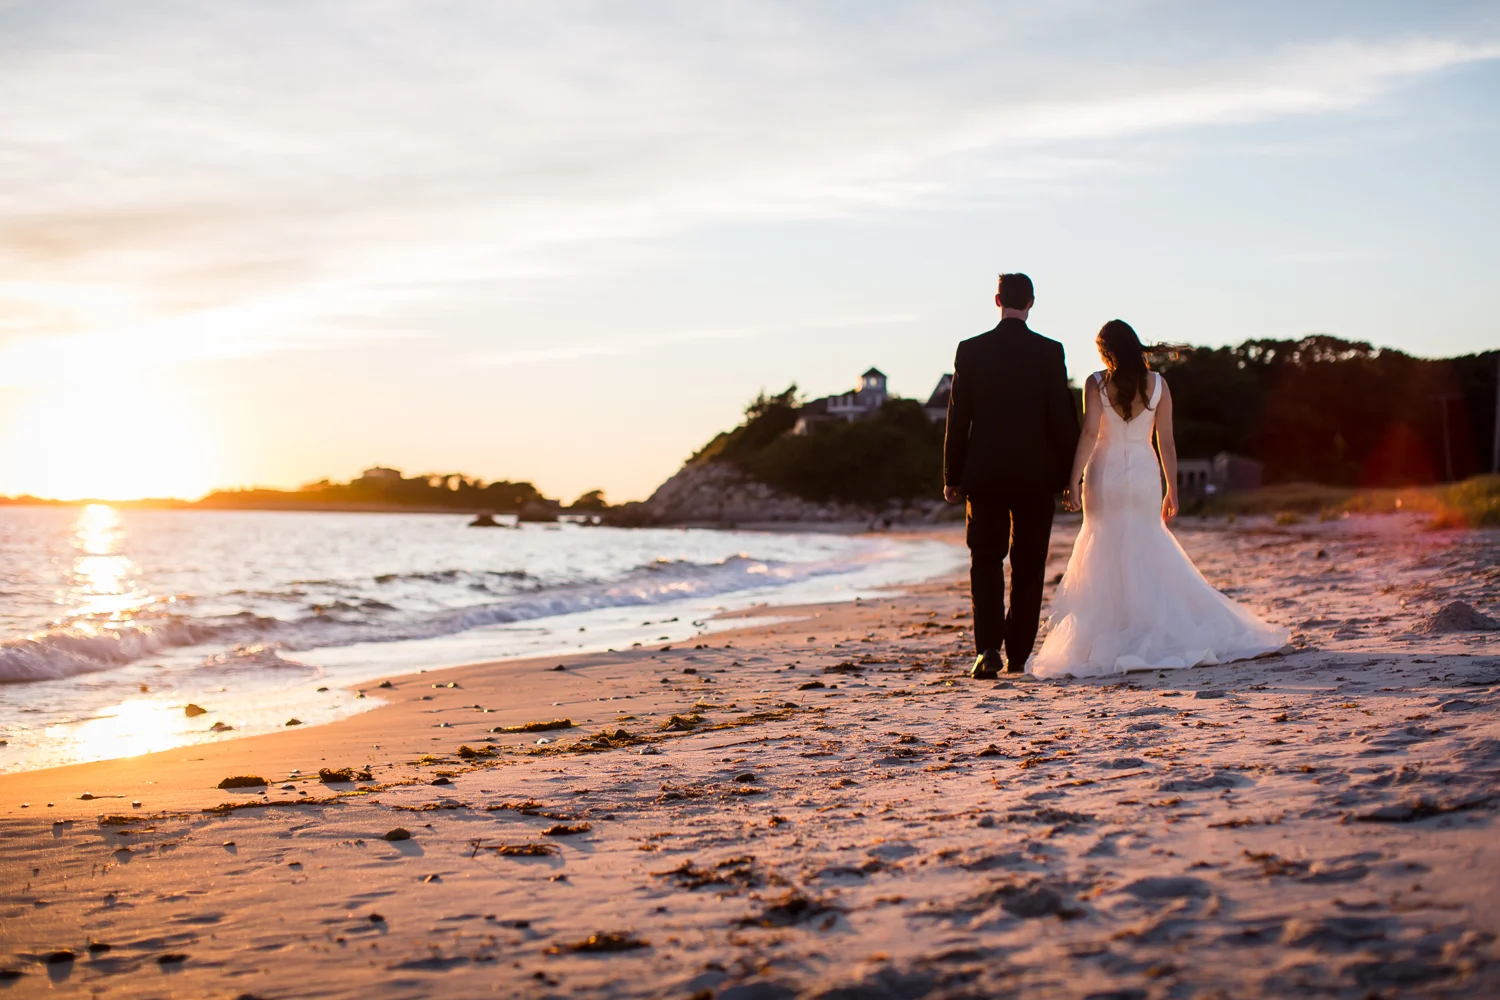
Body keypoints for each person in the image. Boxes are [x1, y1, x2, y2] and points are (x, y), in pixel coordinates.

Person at [1031, 320, 1289, 677]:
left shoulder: (1095, 383)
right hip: (1143, 472)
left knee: (1103, 544)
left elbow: (1090, 433)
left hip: (1104, 474)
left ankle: (1113, 632)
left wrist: (1073, 481)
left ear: (1107, 351)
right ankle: (1150, 625)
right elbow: (1165, 440)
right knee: (1146, 542)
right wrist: (1173, 488)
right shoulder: (1158, 385)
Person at [943, 273, 1080, 678]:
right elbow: (1062, 418)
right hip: (1037, 477)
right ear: (1031, 303)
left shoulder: (971, 350)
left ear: (997, 299)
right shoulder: (1050, 351)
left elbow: (958, 417)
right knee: (1029, 564)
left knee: (984, 561)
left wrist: (952, 473)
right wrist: (1071, 476)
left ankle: (988, 649)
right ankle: (1019, 654)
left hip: (984, 475)